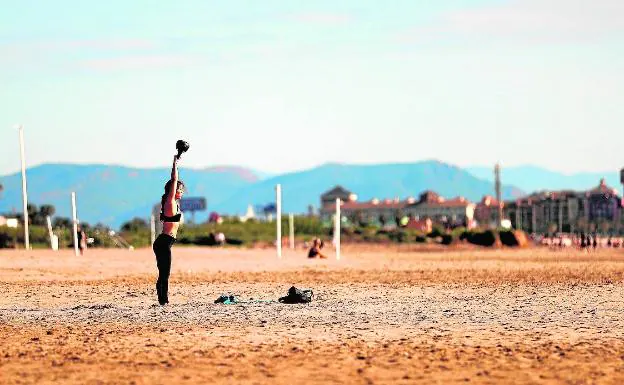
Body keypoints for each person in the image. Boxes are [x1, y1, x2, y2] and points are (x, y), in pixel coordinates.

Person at [152, 155, 185, 305]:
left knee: (164, 272)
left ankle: (162, 299)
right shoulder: (170, 202)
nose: (182, 192)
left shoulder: (173, 203)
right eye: (180, 189)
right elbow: (173, 180)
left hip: (164, 242)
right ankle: (163, 301)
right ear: (174, 190)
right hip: (164, 242)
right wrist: (175, 163)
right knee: (165, 273)